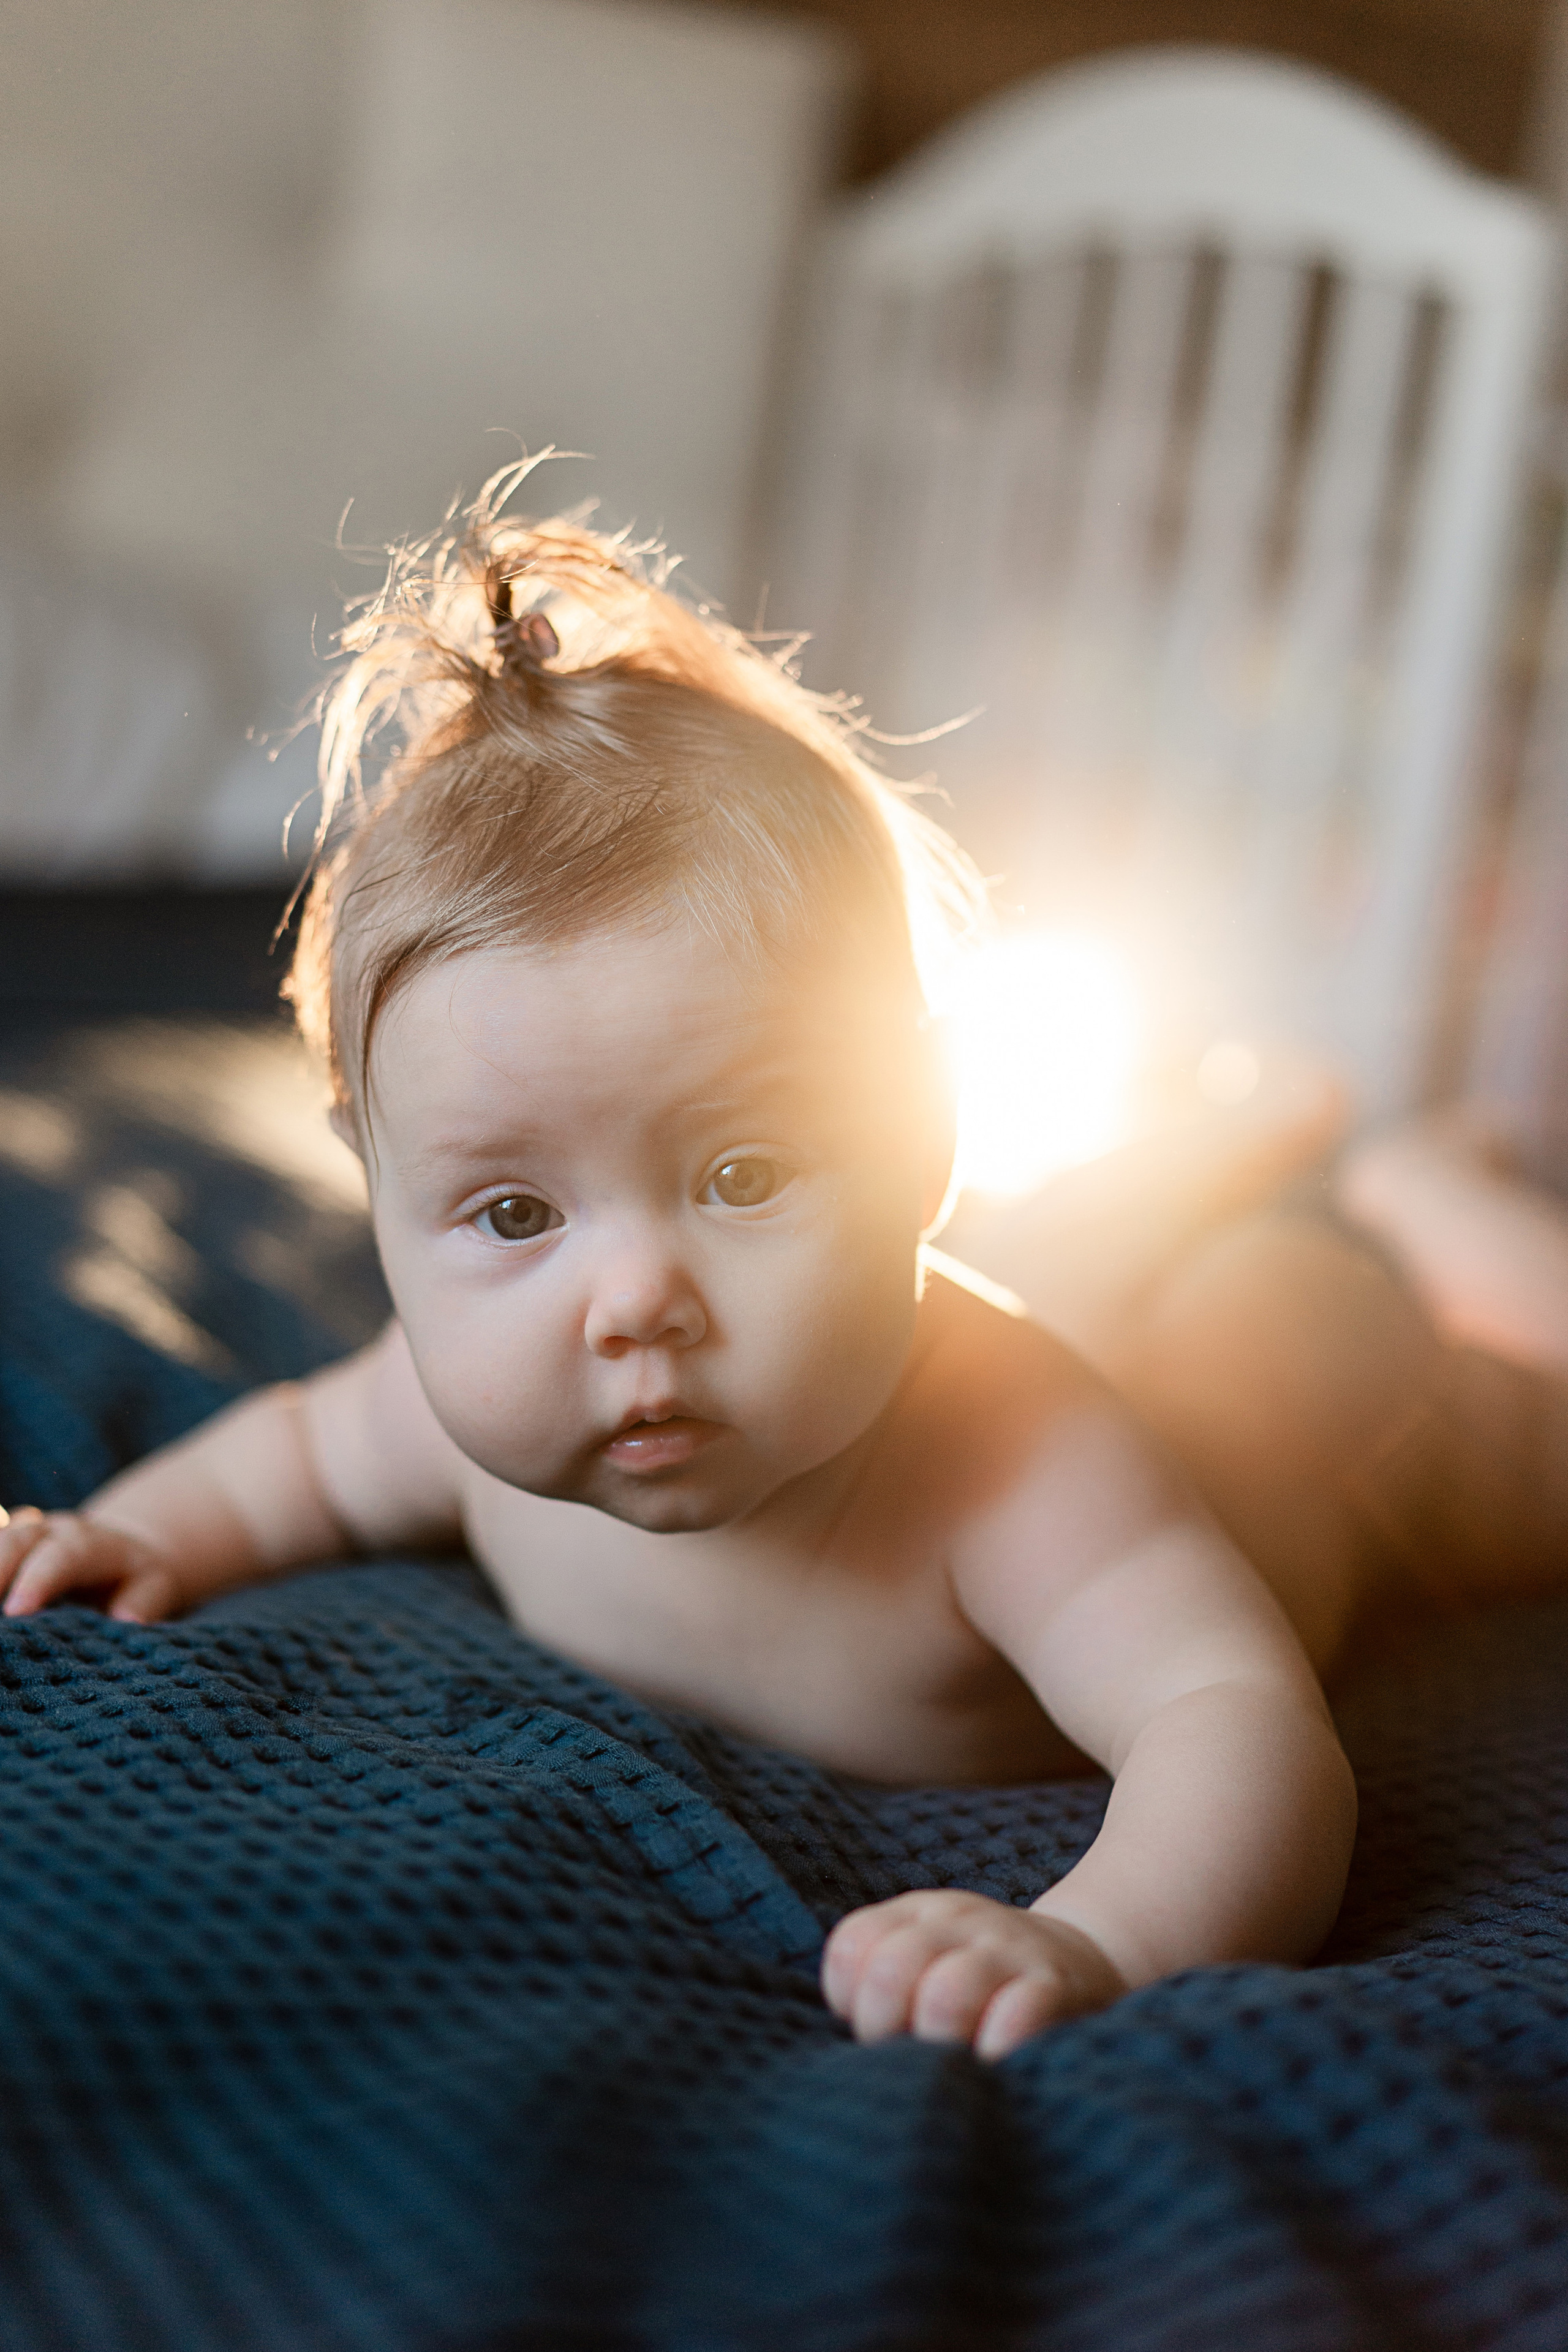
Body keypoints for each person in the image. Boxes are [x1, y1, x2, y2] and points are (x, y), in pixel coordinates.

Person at [0, 472, 1557, 2064]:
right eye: (518, 1216)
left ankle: (1413, 1195)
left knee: (1395, 1373)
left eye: (740, 1174)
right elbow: (296, 1465)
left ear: (924, 1127)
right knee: (1088, 1254)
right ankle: (1218, 1145)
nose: (634, 1304)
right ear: (374, 1181)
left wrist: (1096, 1939)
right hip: (1020, 1306)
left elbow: (1233, 1724)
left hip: (1291, 1421)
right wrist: (128, 1537)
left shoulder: (1021, 1464)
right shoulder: (455, 1400)